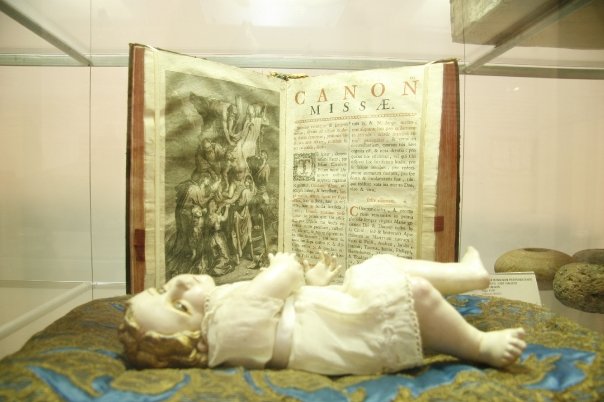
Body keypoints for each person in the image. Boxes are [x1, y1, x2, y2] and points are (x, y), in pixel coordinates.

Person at [119, 248, 526, 375]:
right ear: (194, 338)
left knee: (380, 266)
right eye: (178, 305)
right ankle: (478, 345)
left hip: (337, 315)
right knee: (416, 294)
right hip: (352, 332)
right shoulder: (226, 323)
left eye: (161, 289)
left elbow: (281, 314)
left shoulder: (223, 323)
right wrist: (284, 265)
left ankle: (469, 275)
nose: (178, 284)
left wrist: (311, 283)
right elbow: (283, 277)